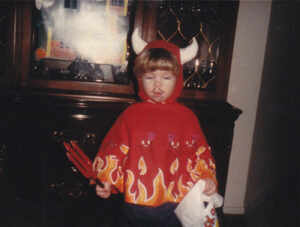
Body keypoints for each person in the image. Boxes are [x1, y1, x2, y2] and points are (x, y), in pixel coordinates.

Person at [92, 29, 217, 227]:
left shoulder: (187, 118)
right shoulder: (131, 114)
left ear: (178, 79)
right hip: (133, 204)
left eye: (166, 78)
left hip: (175, 203)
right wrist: (106, 180)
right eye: (150, 77)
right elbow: (113, 149)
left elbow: (199, 151)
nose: (157, 84)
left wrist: (207, 176)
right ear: (140, 79)